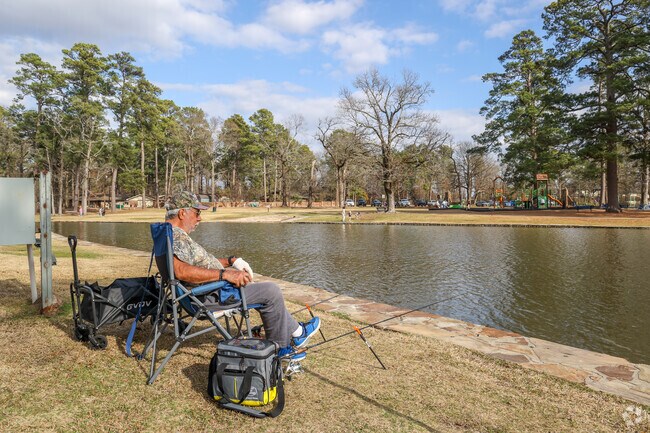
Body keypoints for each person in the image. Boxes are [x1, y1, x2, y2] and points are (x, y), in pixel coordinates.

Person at [164, 191, 320, 361]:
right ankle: (280, 349)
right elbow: (181, 271)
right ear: (182, 213)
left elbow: (200, 264)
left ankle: (297, 332)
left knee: (262, 290)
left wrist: (231, 260)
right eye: (197, 212)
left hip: (207, 292)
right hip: (208, 297)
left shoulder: (168, 233)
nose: (199, 218)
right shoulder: (176, 237)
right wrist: (225, 274)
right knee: (271, 291)